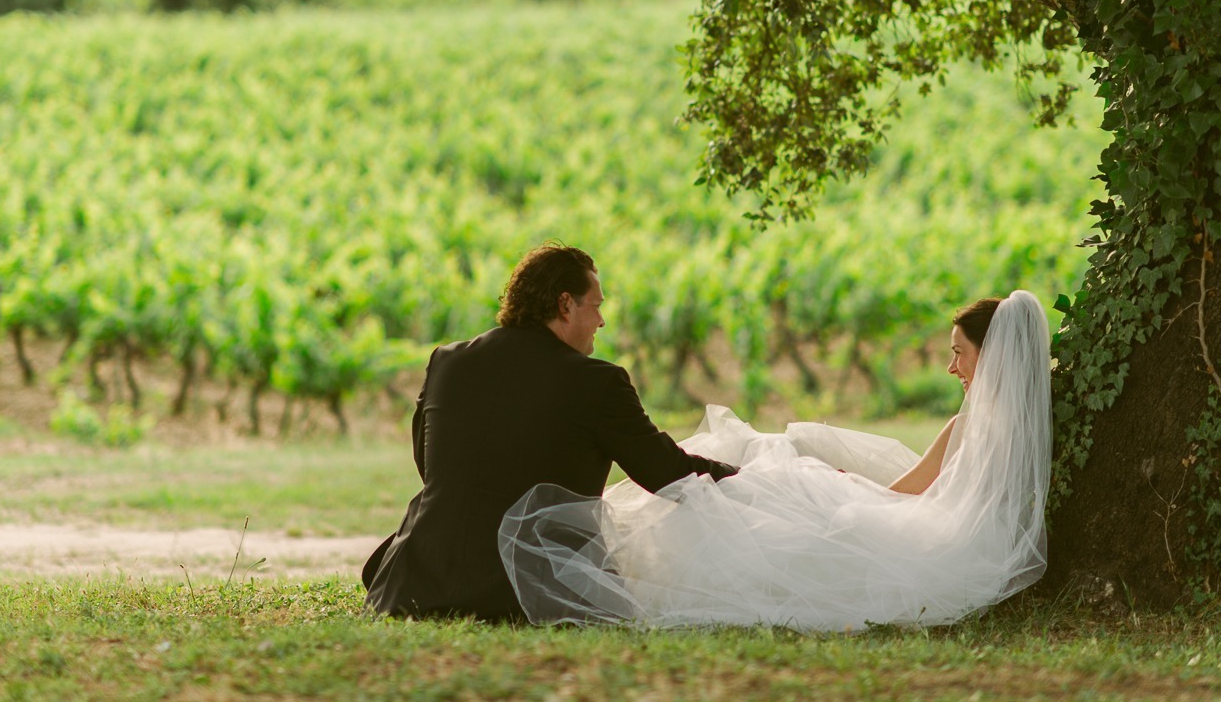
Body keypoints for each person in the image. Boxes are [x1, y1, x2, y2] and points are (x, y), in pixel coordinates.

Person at [498, 291, 1052, 631]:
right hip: (963, 535)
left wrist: (843, 488)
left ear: (992, 354)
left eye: (959, 352)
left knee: (796, 487)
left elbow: (906, 494)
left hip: (934, 529)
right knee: (796, 476)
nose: (953, 368)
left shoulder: (967, 424)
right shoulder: (1015, 428)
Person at [361, 243, 738, 621]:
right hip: (527, 591)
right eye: (596, 305)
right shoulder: (597, 382)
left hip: (418, 583)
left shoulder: (448, 361)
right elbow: (665, 473)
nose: (602, 321)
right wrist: (740, 476)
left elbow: (427, 463)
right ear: (565, 304)